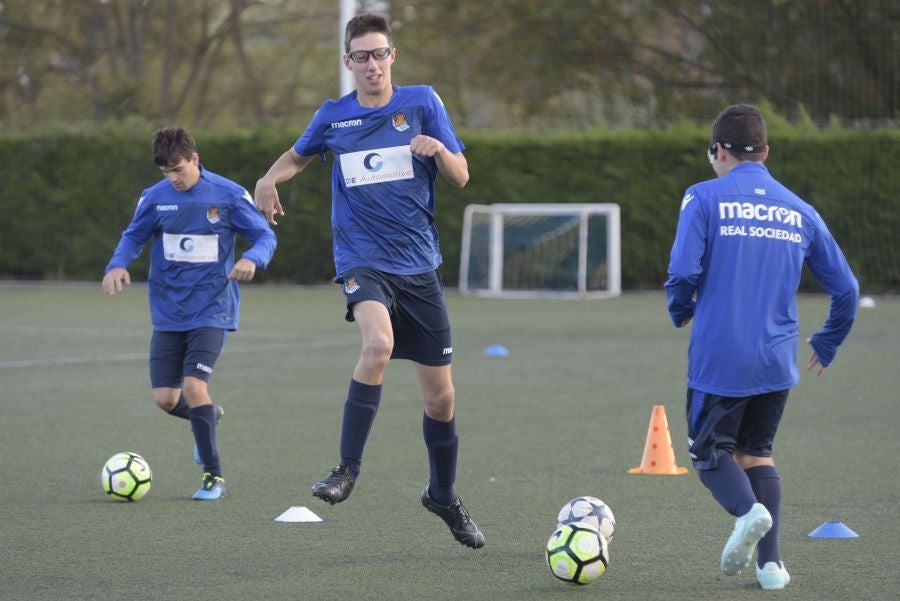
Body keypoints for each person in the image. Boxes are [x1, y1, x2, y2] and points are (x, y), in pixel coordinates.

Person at [254, 13, 484, 548]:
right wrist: (267, 179)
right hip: (362, 260)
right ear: (348, 62)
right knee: (377, 343)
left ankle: (443, 495)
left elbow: (461, 176)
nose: (373, 64)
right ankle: (347, 469)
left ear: (392, 56)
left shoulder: (423, 102)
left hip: (419, 267)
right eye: (362, 56)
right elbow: (296, 157)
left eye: (380, 53)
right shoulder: (334, 117)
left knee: (441, 400)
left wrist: (440, 150)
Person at [665, 104, 858, 589]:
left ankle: (747, 512)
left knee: (710, 455)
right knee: (757, 453)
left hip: (720, 358)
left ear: (718, 151)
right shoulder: (800, 209)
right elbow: (847, 290)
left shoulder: (702, 196)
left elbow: (684, 271)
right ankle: (771, 567)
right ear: (766, 152)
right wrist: (828, 341)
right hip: (776, 360)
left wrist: (679, 308)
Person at [102, 126, 276, 501]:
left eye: (178, 169)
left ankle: (214, 477)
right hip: (167, 311)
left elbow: (265, 236)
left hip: (212, 308)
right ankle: (207, 416)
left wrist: (251, 258)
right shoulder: (155, 198)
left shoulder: (228, 195)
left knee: (195, 387)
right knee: (165, 398)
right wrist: (117, 264)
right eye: (166, 172)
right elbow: (134, 236)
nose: (173, 178)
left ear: (195, 159)